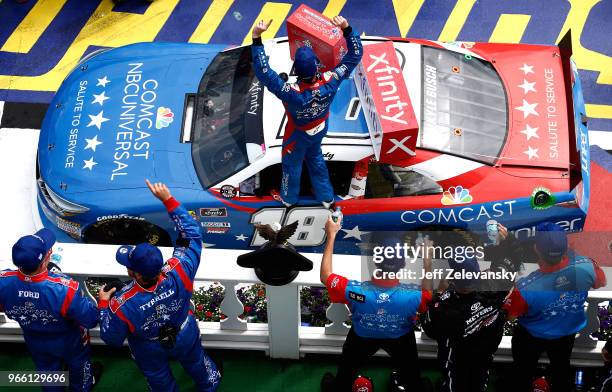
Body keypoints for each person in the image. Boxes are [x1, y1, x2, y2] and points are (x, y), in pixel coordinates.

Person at [98, 180, 221, 392]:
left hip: (149, 347)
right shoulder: (179, 269)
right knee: (196, 362)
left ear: (134, 273)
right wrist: (168, 199)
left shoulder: (121, 303)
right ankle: (210, 384)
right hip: (185, 331)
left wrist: (102, 305)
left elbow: (112, 338)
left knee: (159, 379)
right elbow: (192, 233)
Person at [251, 16, 363, 208]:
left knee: (292, 166)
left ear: (297, 71)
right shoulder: (332, 79)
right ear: (317, 67)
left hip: (297, 135)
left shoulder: (289, 92)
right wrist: (347, 28)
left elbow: (263, 72)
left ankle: (288, 199)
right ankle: (327, 199)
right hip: (320, 129)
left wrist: (256, 38)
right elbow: (355, 54)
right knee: (316, 160)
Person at [319, 215, 433, 391]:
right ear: (402, 264)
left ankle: (339, 386)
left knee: (346, 372)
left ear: (375, 260)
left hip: (362, 337)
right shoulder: (412, 296)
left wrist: (331, 234)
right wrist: (427, 262)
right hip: (400, 338)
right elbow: (428, 295)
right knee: (412, 375)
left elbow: (325, 276)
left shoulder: (355, 290)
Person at [504, 222, 607, 392]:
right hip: (566, 335)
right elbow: (600, 282)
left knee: (523, 373)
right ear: (565, 247)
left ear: (536, 249)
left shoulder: (525, 288)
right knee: (562, 371)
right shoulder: (587, 266)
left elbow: (510, 316)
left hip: (531, 337)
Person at [422, 223, 522, 392]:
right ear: (478, 270)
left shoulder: (444, 307)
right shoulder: (495, 284)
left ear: (453, 276)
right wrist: (507, 241)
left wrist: (428, 266)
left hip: (455, 365)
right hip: (484, 357)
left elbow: (427, 324)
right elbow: (514, 259)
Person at [0, 229, 101, 391]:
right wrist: (102, 302)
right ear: (45, 260)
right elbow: (90, 319)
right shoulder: (64, 289)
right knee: (79, 369)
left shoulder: (2, 282)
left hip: (34, 340)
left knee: (48, 373)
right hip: (70, 341)